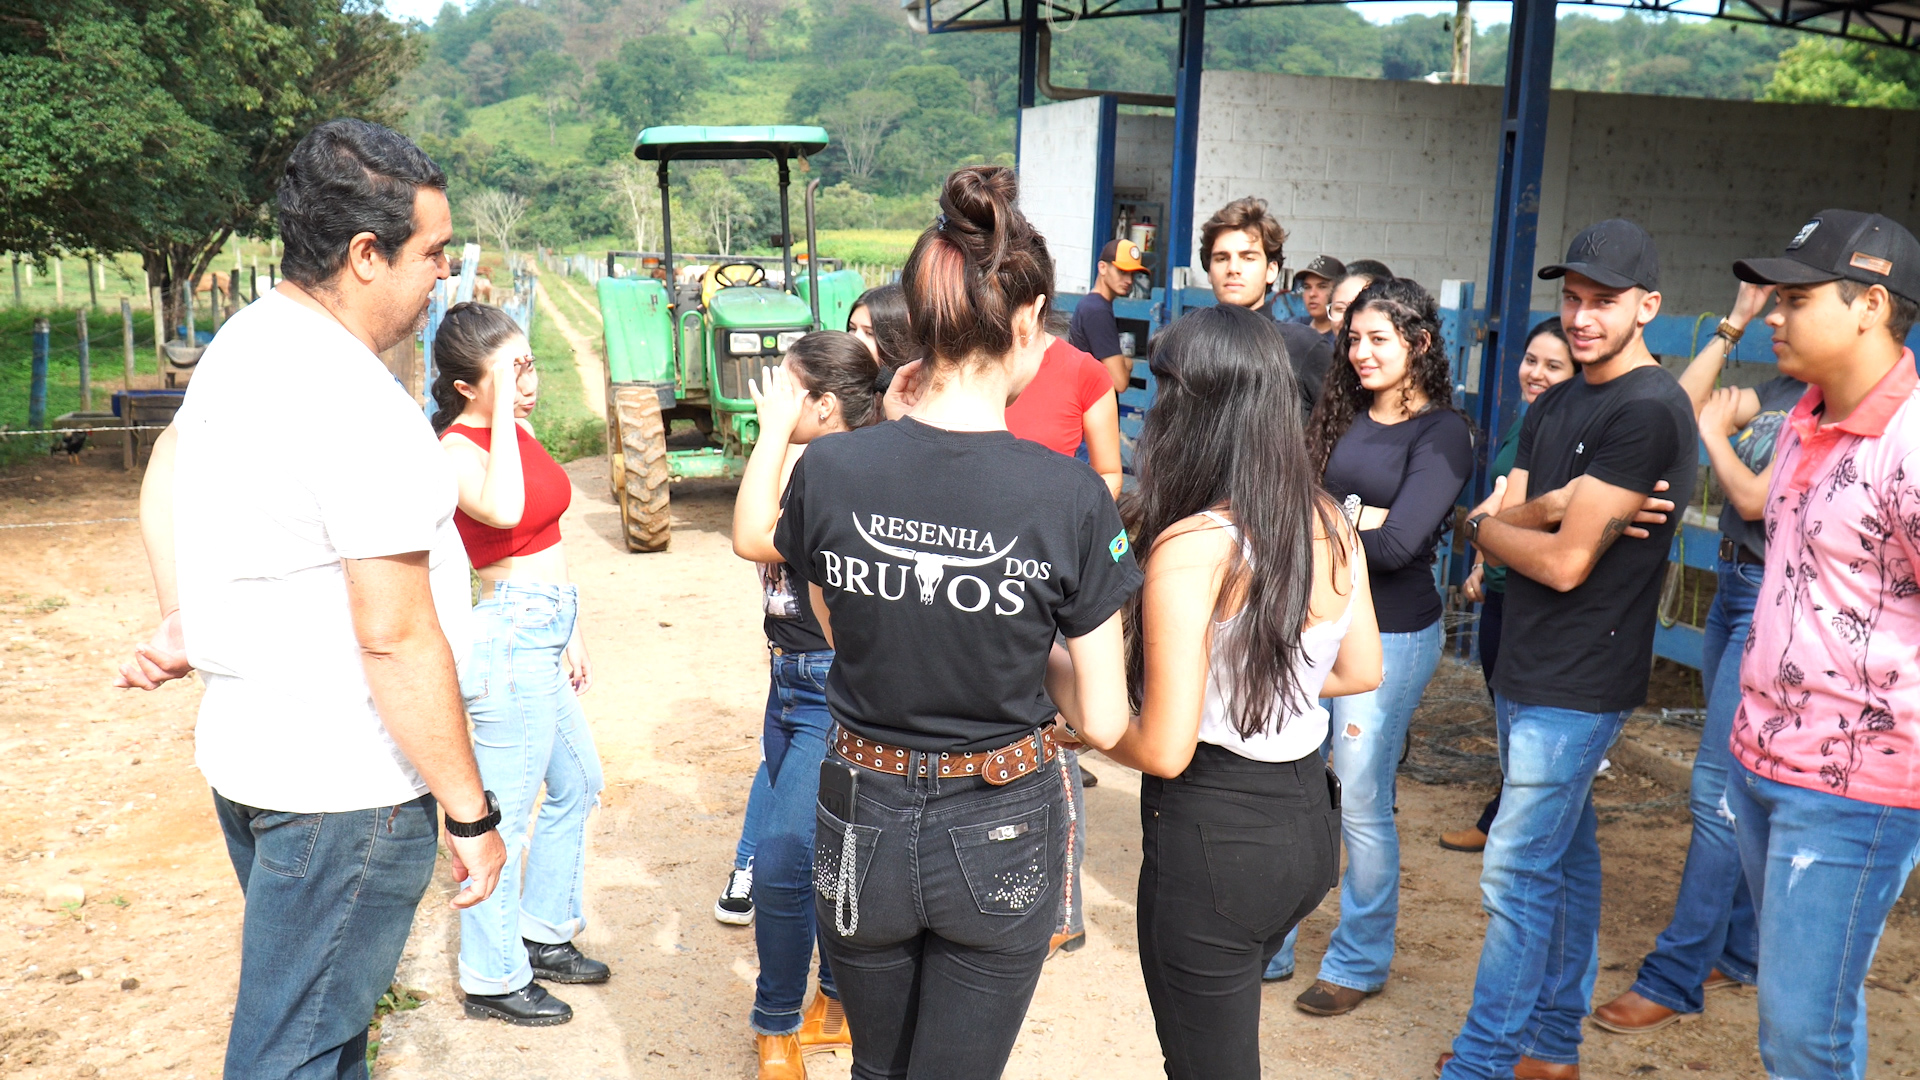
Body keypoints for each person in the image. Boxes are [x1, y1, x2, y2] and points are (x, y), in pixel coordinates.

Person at [114, 119, 507, 1078]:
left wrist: (188, 617)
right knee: (289, 1050)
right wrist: (471, 813)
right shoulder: (358, 404)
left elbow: (168, 464)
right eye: (433, 254)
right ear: (367, 255)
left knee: (325, 1035)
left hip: (252, 763)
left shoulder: (249, 339)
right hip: (347, 788)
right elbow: (395, 636)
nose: (442, 280)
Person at [773, 165, 1139, 1079]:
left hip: (858, 803)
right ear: (1031, 319)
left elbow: (830, 618)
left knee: (874, 1068)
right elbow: (1103, 720)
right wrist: (1018, 660)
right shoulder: (1070, 495)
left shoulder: (831, 471)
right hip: (1002, 809)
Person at [1093, 303, 1380, 1080]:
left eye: (1159, 389)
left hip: (1215, 842)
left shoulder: (1195, 546)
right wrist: (1269, 681)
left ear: (1195, 408)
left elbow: (1164, 747)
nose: (1148, 409)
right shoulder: (1329, 520)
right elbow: (1359, 670)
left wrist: (1081, 713)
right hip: (1306, 828)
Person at [1439, 220, 1694, 1080]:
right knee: (1565, 860)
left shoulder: (1650, 408)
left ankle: (1483, 1060)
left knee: (1515, 871)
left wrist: (1495, 522)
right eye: (1572, 298)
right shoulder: (1555, 402)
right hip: (1528, 666)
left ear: (1647, 306)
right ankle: (1551, 1046)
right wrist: (1543, 508)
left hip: (1581, 679)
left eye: (1605, 301)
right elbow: (1515, 523)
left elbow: (1562, 562)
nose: (1582, 318)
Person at [1725, 210, 1920, 1080]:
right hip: (1764, 758)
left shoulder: (1909, 445)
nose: (1772, 312)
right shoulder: (1806, 413)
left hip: (1855, 785)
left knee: (1804, 1033)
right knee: (1794, 1014)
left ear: (1871, 304)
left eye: (1795, 298)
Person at [1589, 279, 1795, 1032]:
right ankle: (1741, 948)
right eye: (1772, 305)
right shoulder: (1778, 383)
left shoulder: (1829, 404)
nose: (1777, 316)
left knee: (1714, 788)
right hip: (1736, 588)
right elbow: (1683, 402)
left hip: (1772, 594)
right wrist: (1733, 326)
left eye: (1789, 305)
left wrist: (1713, 434)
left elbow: (1754, 499)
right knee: (1738, 777)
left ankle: (1675, 976)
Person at [1275, 278, 1473, 1016]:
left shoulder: (1443, 433)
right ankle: (1278, 941)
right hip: (1315, 624)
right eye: (1352, 338)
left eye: (1378, 339)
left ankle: (1358, 959)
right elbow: (1297, 503)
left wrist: (1332, 521)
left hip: (1391, 632)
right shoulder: (1342, 413)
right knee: (1297, 783)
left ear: (1420, 344)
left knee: (1359, 795)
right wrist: (1356, 518)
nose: (1359, 352)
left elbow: (1396, 546)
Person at [429, 302, 609, 1026]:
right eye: (510, 371)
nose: (528, 383)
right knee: (502, 820)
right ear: (468, 385)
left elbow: (547, 532)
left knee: (580, 784)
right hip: (505, 640)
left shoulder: (518, 430)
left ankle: (541, 933)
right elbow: (503, 512)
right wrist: (499, 414)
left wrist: (573, 629)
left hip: (544, 625)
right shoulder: (455, 452)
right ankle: (492, 976)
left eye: (528, 364)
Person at [732, 331, 884, 1078]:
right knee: (829, 851)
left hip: (827, 684)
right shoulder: (818, 459)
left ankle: (777, 1024)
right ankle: (835, 1001)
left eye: (785, 388)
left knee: (786, 859)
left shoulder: (836, 465)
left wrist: (767, 438)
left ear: (824, 405)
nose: (768, 397)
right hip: (787, 679)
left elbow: (749, 538)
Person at [1444, 319, 1577, 854]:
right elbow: (1499, 504)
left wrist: (1484, 530)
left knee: (1523, 724)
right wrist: (1482, 560)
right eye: (1531, 360)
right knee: (1505, 713)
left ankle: (1506, 821)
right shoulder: (1526, 420)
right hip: (1499, 584)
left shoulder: (1564, 428)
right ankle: (1506, 814)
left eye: (1553, 365)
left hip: (1533, 594)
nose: (1536, 373)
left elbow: (1508, 514)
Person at [1197, 196, 1333, 418]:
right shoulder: (1192, 346)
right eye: (1222, 258)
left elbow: (1341, 428)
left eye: (1247, 258)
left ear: (1272, 270)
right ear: (1209, 272)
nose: (1233, 268)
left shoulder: (1303, 347)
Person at [1070, 238, 1146, 393]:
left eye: (1133, 274)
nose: (1129, 280)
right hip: (1090, 410)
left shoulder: (1092, 304)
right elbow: (1120, 382)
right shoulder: (1097, 310)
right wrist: (1127, 365)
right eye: (1122, 272)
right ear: (1103, 268)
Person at [1291, 254, 1347, 345]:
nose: (1312, 294)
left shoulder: (1346, 338)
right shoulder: (1293, 327)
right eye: (1307, 287)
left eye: (1322, 287)